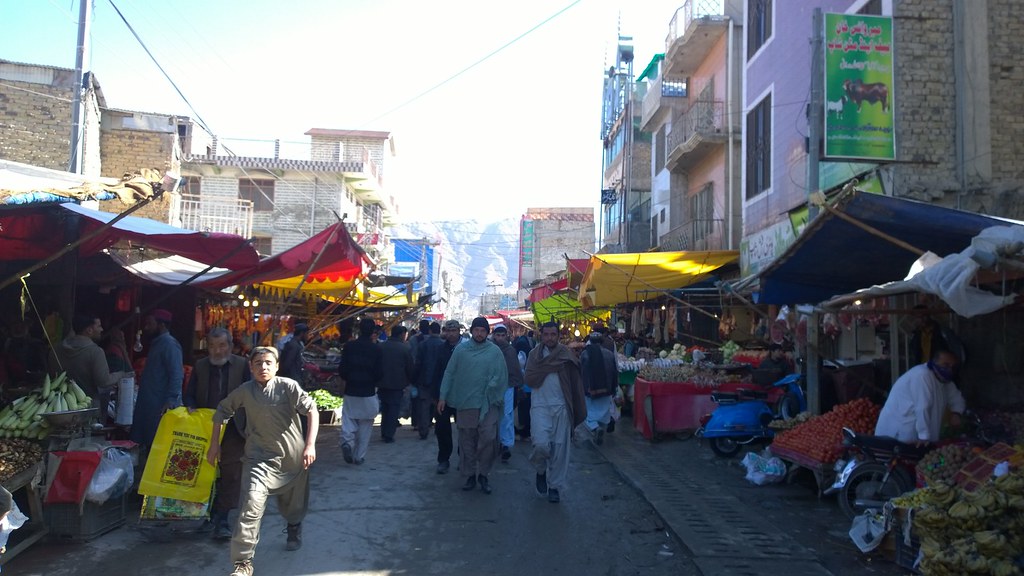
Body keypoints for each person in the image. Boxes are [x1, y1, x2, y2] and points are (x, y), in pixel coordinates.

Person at [208, 346, 318, 576]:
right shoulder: (245, 391)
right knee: (250, 504)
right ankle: (243, 563)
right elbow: (221, 412)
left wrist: (310, 445)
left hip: (292, 458)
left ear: (277, 366)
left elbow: (312, 410)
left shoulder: (288, 387)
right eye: (258, 363)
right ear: (251, 367)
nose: (263, 367)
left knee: (293, 505)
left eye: (268, 362)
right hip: (257, 458)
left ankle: (294, 527)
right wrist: (214, 444)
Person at [184, 327, 250, 540]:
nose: (217, 351)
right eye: (212, 346)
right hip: (206, 427)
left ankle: (222, 518)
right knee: (205, 471)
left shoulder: (242, 365)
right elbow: (190, 394)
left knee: (231, 474)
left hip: (234, 428)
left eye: (222, 345)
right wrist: (191, 407)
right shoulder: (201, 366)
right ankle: (207, 514)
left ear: (230, 347)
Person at [437, 317, 507, 494]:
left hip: (488, 403)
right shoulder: (461, 350)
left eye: (483, 331)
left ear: (487, 332)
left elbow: (502, 375)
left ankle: (484, 474)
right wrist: (442, 396)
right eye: (476, 330)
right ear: (471, 331)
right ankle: (470, 475)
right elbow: (450, 373)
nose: (479, 333)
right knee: (467, 440)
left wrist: (493, 384)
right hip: (466, 402)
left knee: (488, 438)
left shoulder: (495, 352)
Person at [524, 321, 586, 504]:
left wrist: (577, 407)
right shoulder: (534, 356)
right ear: (540, 336)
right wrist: (547, 368)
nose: (550, 338)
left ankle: (554, 486)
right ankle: (540, 470)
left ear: (558, 336)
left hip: (561, 407)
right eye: (546, 335)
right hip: (540, 406)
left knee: (560, 449)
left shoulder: (566, 356)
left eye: (553, 334)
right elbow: (529, 379)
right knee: (541, 445)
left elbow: (576, 383)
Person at [875, 349, 967, 444]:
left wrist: (957, 413)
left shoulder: (945, 381)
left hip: (919, 437)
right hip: (899, 434)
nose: (949, 369)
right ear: (934, 363)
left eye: (952, 367)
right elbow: (922, 407)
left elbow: (957, 399)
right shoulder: (922, 375)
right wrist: (924, 437)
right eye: (945, 365)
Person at [130, 309, 183, 452]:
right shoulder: (157, 343)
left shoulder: (169, 344)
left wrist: (171, 400)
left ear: (161, 325)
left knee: (158, 447)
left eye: (150, 324)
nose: (146, 327)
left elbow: (177, 375)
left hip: (160, 406)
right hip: (150, 404)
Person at [52, 314, 123, 410]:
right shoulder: (95, 352)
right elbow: (103, 381)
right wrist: (120, 375)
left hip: (59, 405)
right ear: (89, 330)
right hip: (87, 406)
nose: (102, 329)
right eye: (99, 326)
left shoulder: (56, 349)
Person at [337, 318, 383, 464]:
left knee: (349, 419)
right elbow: (380, 372)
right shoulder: (376, 349)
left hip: (351, 388)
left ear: (359, 329)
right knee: (366, 423)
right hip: (368, 390)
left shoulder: (349, 346)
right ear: (373, 332)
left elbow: (342, 369)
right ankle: (359, 456)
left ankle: (347, 442)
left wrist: (347, 378)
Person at [430, 320, 462, 474]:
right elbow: (435, 372)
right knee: (442, 429)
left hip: (463, 396)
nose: (450, 334)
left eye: (453, 330)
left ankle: (464, 457)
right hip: (443, 396)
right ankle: (443, 459)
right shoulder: (440, 349)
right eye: (448, 331)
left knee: (464, 429)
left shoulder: (466, 349)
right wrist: (435, 395)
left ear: (459, 331)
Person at [490, 324, 523, 463]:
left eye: (503, 335)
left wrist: (518, 386)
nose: (500, 338)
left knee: (506, 416)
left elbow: (515, 370)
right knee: (490, 416)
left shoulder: (510, 351)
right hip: (490, 388)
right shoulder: (488, 350)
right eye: (498, 335)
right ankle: (491, 444)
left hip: (508, 388)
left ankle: (506, 445)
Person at [377, 325, 414, 443]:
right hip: (397, 384)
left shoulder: (381, 346)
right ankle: (389, 434)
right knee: (393, 409)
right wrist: (410, 380)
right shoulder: (404, 348)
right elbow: (410, 367)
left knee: (385, 408)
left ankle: (384, 431)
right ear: (402, 334)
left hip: (382, 382)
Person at [579, 332, 617, 445]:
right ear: (601, 341)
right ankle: (604, 425)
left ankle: (595, 428)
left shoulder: (585, 354)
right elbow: (615, 372)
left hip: (591, 391)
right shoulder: (609, 354)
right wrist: (614, 387)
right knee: (604, 412)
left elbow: (582, 372)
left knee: (588, 413)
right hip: (607, 389)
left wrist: (583, 388)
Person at [412, 322, 443, 440]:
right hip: (439, 381)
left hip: (424, 380)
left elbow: (418, 363)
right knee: (438, 406)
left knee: (424, 407)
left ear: (430, 331)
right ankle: (438, 429)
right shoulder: (443, 344)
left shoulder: (423, 345)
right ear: (439, 331)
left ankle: (423, 430)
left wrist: (414, 378)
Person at [513, 335, 533, 441]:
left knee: (523, 408)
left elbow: (519, 367)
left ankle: (523, 429)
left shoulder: (517, 352)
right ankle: (526, 430)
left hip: (522, 386)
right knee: (527, 409)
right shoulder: (531, 352)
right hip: (529, 387)